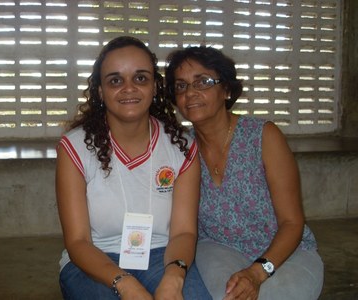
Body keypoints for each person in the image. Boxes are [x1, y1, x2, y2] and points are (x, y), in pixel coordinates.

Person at [55, 36, 212, 300]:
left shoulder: (182, 147)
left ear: (154, 88)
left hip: (164, 256)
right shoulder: (75, 148)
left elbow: (184, 232)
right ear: (101, 91)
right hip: (93, 260)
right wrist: (125, 284)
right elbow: (78, 242)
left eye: (140, 78)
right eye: (115, 80)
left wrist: (174, 278)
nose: (129, 88)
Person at [165, 46, 324, 300]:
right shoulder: (181, 149)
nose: (191, 93)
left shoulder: (263, 136)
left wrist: (257, 272)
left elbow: (292, 223)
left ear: (226, 90)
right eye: (181, 86)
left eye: (203, 82)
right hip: (218, 249)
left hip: (286, 254)